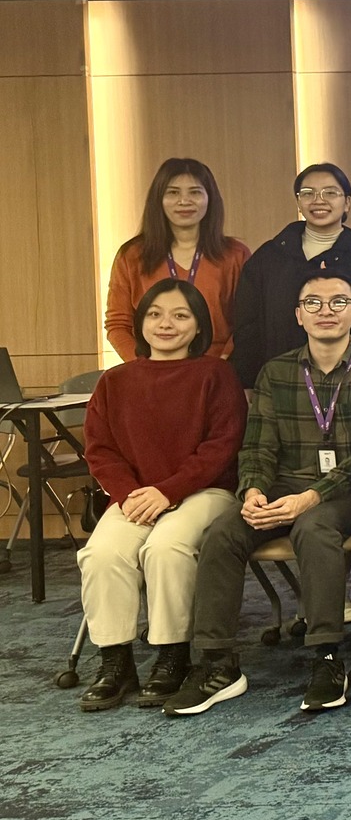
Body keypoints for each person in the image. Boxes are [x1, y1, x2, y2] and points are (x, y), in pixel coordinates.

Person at [170, 265, 351, 717]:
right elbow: (258, 446)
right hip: (284, 486)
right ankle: (217, 662)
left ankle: (327, 656)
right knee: (223, 532)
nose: (325, 311)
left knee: (314, 527)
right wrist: (253, 490)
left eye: (338, 302)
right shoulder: (276, 372)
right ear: (298, 315)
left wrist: (312, 496)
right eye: (313, 303)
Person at [76, 280, 247, 711]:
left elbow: (222, 446)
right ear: (140, 323)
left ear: (199, 325)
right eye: (154, 314)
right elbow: (100, 450)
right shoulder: (114, 381)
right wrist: (131, 494)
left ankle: (173, 655)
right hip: (135, 496)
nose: (165, 324)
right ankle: (115, 661)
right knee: (101, 553)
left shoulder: (216, 374)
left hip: (205, 491)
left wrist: (167, 492)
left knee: (166, 547)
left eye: (180, 315)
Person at [231, 163, 351, 386]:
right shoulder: (269, 257)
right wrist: (248, 382)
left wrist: (346, 293)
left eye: (330, 193)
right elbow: (247, 327)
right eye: (308, 193)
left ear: (347, 202)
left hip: (348, 383)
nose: (319, 200)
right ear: (298, 202)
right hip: (281, 381)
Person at [103, 158, 248, 365]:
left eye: (195, 192)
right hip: (153, 371)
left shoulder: (235, 255)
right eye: (173, 193)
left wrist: (221, 364)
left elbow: (246, 321)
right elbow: (118, 324)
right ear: (158, 199)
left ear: (210, 198)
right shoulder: (132, 255)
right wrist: (144, 367)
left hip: (217, 369)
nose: (184, 201)